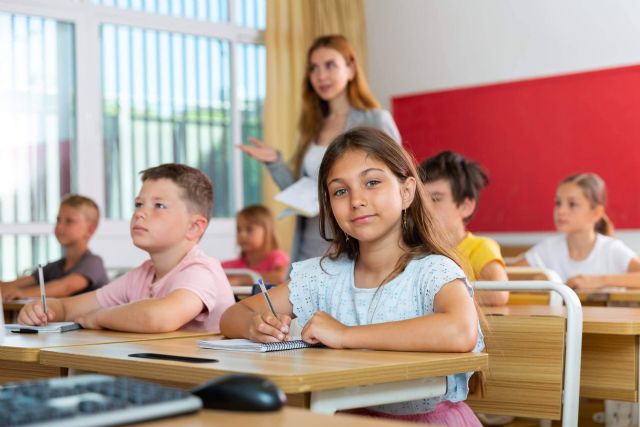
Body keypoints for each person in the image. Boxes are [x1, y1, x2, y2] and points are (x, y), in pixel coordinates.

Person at [221, 128, 483, 426]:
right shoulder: (324, 275)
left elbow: (461, 331)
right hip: (340, 418)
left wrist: (345, 335)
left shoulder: (433, 270)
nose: (356, 200)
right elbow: (232, 314)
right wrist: (254, 326)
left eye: (372, 182)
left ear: (406, 192)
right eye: (340, 191)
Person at [238, 34, 400, 263]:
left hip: (355, 245)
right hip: (310, 244)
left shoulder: (375, 120)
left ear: (351, 69)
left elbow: (396, 182)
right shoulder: (312, 128)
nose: (321, 76)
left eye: (330, 65)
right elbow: (304, 193)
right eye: (314, 68)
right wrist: (275, 162)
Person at [17, 163, 235, 332]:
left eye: (159, 205)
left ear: (194, 227)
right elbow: (69, 308)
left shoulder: (200, 270)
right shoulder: (141, 275)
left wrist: (99, 317)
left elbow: (159, 317)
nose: (140, 213)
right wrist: (44, 308)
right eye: (139, 204)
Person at [513, 173, 640, 289]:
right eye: (558, 203)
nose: (561, 211)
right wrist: (535, 278)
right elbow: (507, 275)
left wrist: (602, 280)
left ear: (596, 212)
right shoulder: (548, 248)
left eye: (572, 204)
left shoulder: (611, 249)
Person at [420, 151, 509, 306]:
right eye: (421, 200)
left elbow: (498, 293)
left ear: (466, 206)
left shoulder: (480, 247)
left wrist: (443, 298)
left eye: (436, 199)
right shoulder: (417, 249)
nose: (426, 208)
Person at [1, 194, 108, 301]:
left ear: (90, 229)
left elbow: (67, 287)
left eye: (69, 221)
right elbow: (14, 285)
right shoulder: (55, 267)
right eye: (58, 220)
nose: (59, 226)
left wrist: (22, 293)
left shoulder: (94, 263)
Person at [222, 205, 290, 285]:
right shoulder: (234, 265)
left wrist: (240, 280)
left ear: (267, 231)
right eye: (238, 229)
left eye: (249, 229)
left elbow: (282, 277)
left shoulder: (277, 257)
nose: (242, 235)